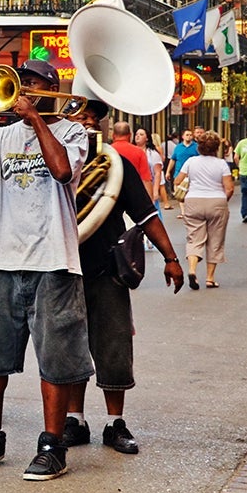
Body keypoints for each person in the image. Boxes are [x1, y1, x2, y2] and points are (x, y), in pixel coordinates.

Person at [0, 59, 91, 482]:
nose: (21, 93)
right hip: (1, 258)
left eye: (30, 86)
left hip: (54, 259)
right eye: (18, 86)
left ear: (50, 89)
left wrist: (36, 120)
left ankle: (53, 445)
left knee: (55, 360)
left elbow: (62, 170)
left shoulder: (72, 130)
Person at [63, 100, 182, 454]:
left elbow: (146, 214)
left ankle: (115, 423)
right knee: (69, 348)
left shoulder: (115, 165)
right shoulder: (53, 164)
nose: (84, 123)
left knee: (114, 347)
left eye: (90, 118)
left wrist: (171, 257)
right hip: (63, 269)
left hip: (106, 269)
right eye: (76, 117)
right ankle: (74, 419)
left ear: (101, 126)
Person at [178, 131, 235, 290]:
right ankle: (210, 278)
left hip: (193, 201)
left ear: (199, 146)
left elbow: (178, 181)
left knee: (194, 238)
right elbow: (229, 188)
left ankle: (192, 270)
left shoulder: (191, 161)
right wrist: (223, 201)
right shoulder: (221, 164)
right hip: (216, 201)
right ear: (216, 147)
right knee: (215, 240)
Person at [166, 128, 197, 219]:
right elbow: (173, 159)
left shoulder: (196, 147)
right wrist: (168, 171)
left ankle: (190, 211)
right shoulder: (178, 147)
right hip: (178, 173)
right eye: (187, 135)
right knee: (179, 193)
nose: (189, 136)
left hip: (191, 174)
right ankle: (183, 212)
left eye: (190, 135)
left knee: (190, 194)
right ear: (183, 136)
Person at [110, 122, 150, 188]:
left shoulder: (107, 151)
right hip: (133, 192)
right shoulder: (139, 152)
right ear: (130, 135)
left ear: (113, 135)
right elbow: (145, 180)